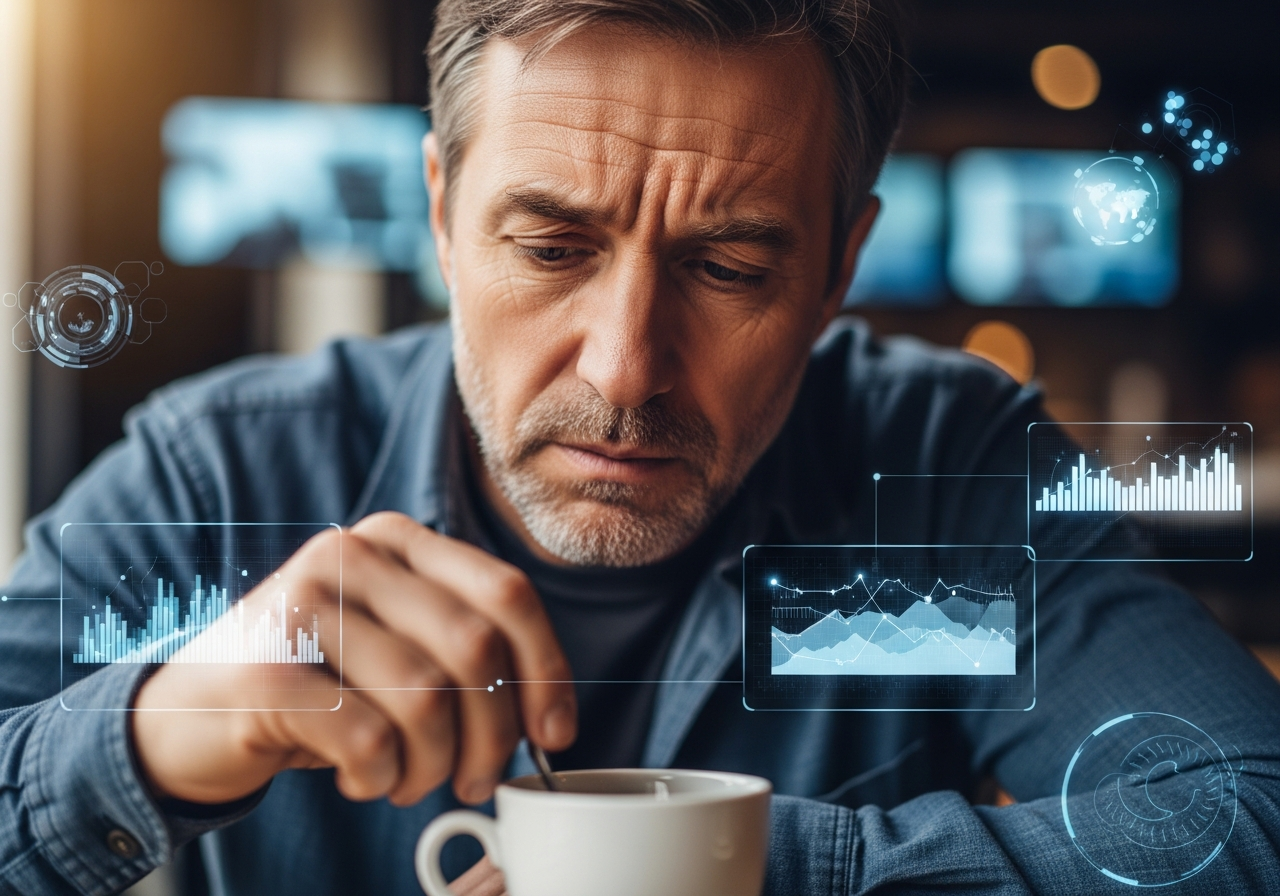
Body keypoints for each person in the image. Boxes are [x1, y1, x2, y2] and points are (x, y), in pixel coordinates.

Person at [2, 0, 1279, 893]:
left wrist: (755, 870)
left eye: (726, 268)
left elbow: (1245, 812)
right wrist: (165, 725)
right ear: (441, 215)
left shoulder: (937, 477)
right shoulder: (223, 478)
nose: (623, 367)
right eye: (551, 248)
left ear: (837, 268)